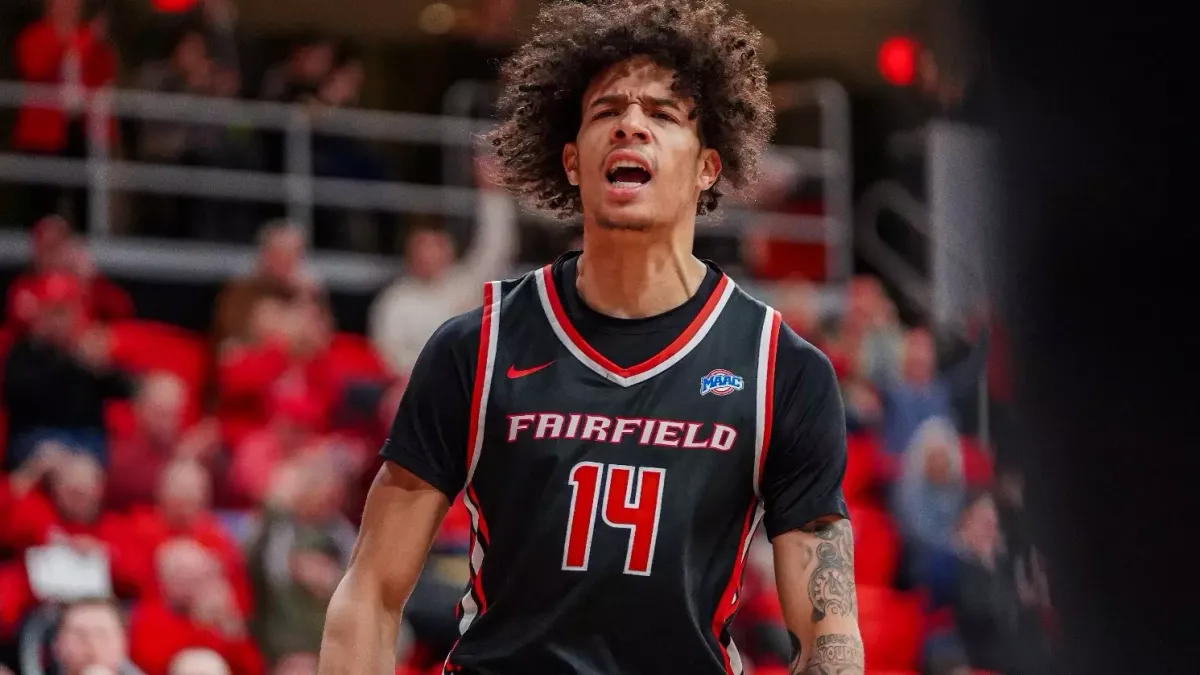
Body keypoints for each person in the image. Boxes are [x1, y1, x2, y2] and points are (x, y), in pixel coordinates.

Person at [318, 0, 860, 673]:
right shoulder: (476, 348)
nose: (630, 124)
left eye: (662, 114)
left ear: (708, 168)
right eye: (607, 111)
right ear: (572, 162)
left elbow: (828, 632)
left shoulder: (779, 367)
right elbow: (370, 591)